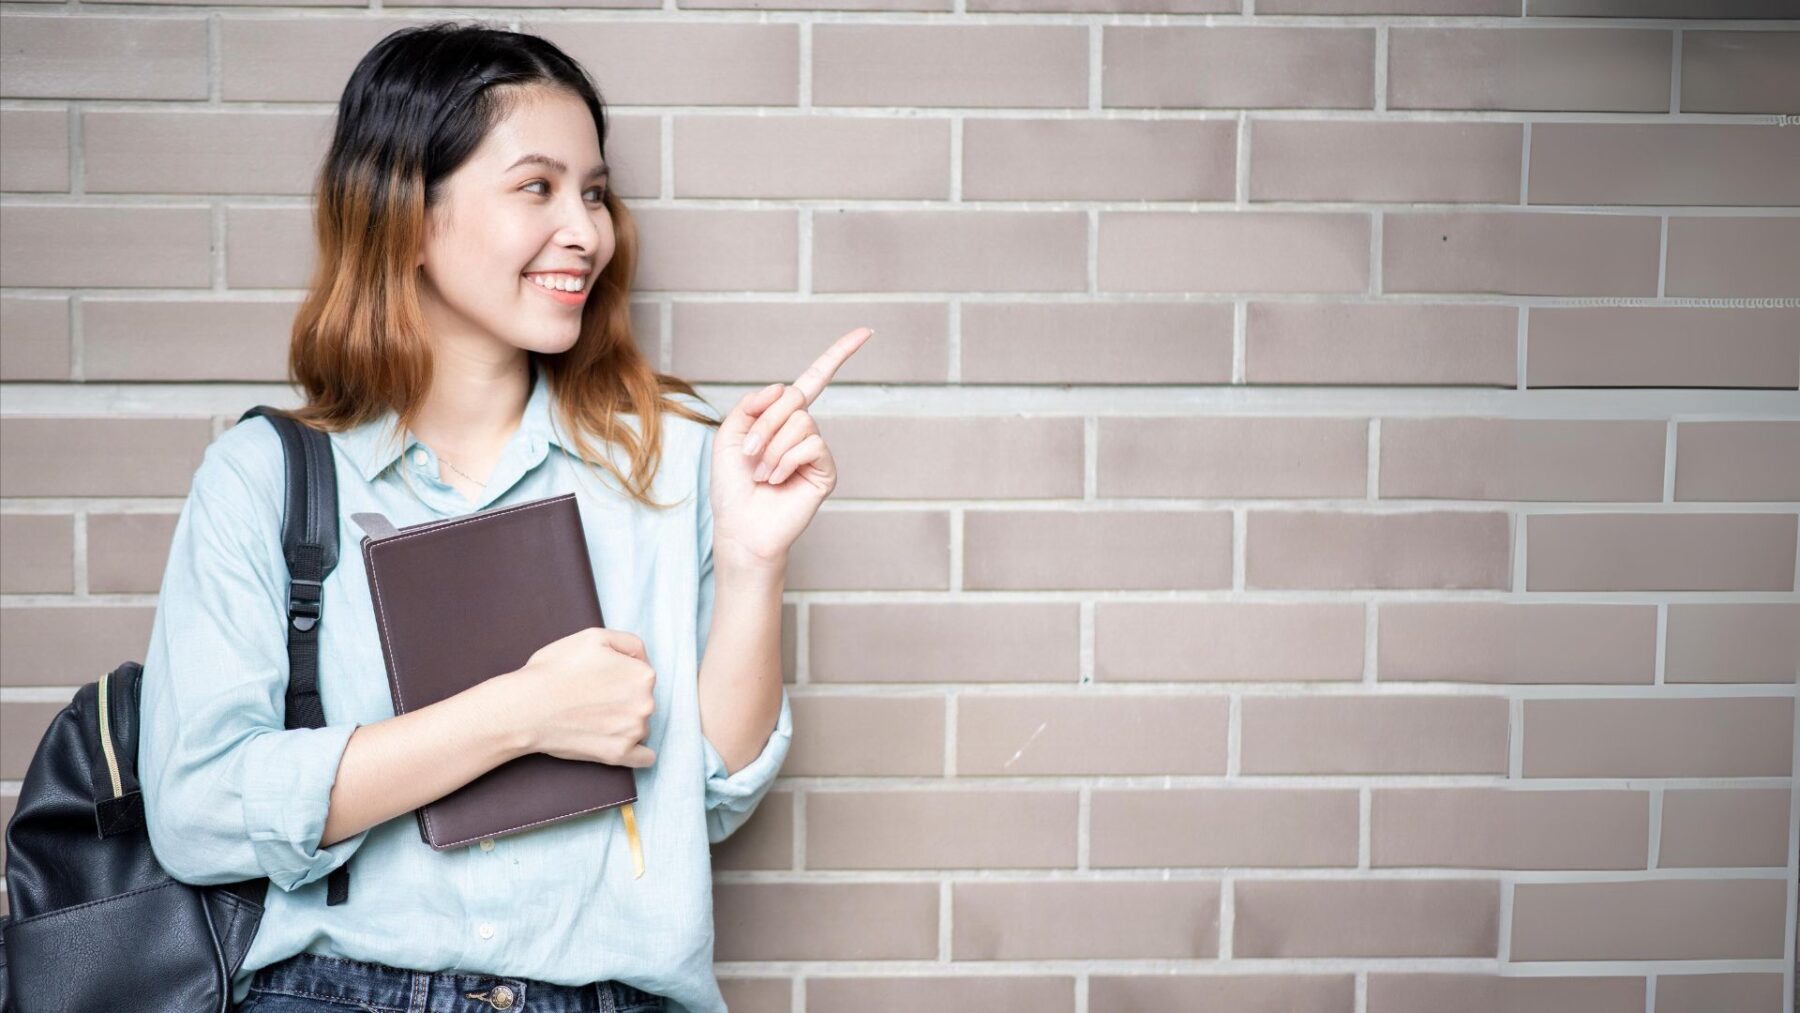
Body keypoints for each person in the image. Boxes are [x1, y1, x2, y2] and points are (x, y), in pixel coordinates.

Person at [135, 21, 872, 1013]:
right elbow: (199, 808)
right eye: (538, 187)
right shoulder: (265, 476)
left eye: (595, 192)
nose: (588, 231)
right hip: (338, 990)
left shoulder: (676, 461)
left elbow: (713, 796)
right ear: (408, 212)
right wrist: (518, 715)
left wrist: (751, 563)